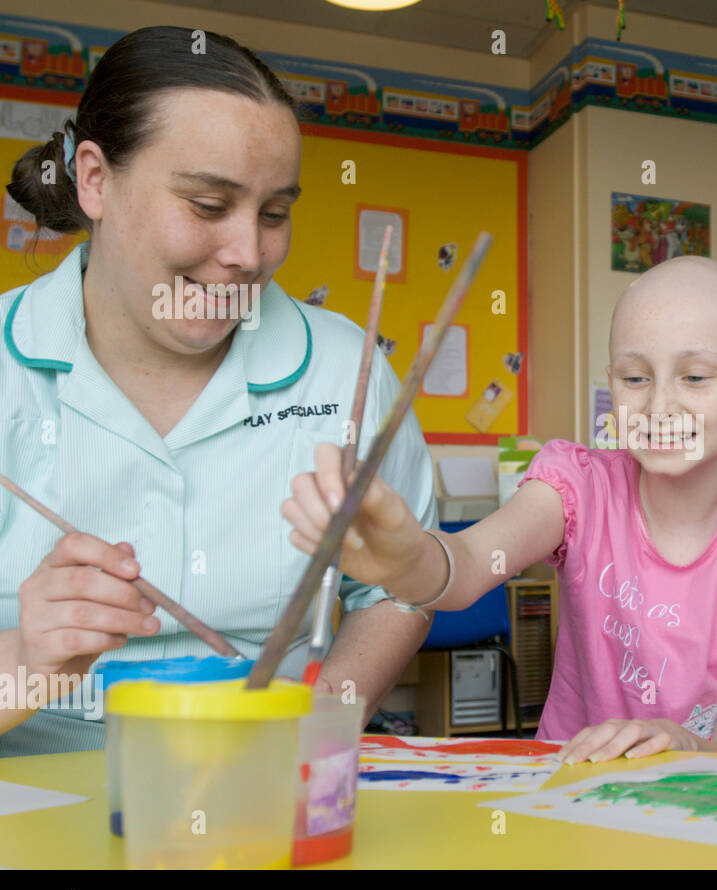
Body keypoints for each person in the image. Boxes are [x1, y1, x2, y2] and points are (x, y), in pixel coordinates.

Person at [0, 26, 436, 755]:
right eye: (208, 205)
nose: (249, 256)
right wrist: (23, 664)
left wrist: (319, 724)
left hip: (270, 794)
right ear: (95, 179)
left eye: (274, 214)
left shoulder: (342, 372)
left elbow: (399, 588)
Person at [283, 256, 717, 761]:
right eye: (635, 378)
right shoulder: (576, 485)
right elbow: (469, 565)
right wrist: (405, 558)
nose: (659, 405)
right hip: (572, 789)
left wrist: (683, 743)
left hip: (716, 799)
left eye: (695, 377)